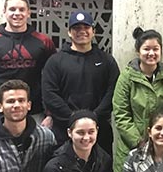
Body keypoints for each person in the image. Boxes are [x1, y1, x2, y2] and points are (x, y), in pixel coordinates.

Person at [0, 0, 56, 140]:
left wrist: (50, 114)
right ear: (4, 11)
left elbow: (52, 81)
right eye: (12, 9)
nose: (17, 14)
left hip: (34, 113)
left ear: (29, 13)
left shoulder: (43, 42)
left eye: (22, 10)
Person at [42, 10, 119, 154]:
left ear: (93, 31)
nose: (82, 31)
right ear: (69, 32)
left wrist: (94, 118)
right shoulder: (55, 61)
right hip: (65, 130)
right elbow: (49, 94)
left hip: (99, 130)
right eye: (77, 28)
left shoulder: (106, 60)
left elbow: (113, 92)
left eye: (86, 28)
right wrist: (74, 119)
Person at [113, 27, 163, 172]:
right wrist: (139, 142)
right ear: (138, 51)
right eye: (146, 49)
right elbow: (121, 114)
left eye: (155, 49)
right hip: (132, 147)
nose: (151, 53)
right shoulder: (127, 77)